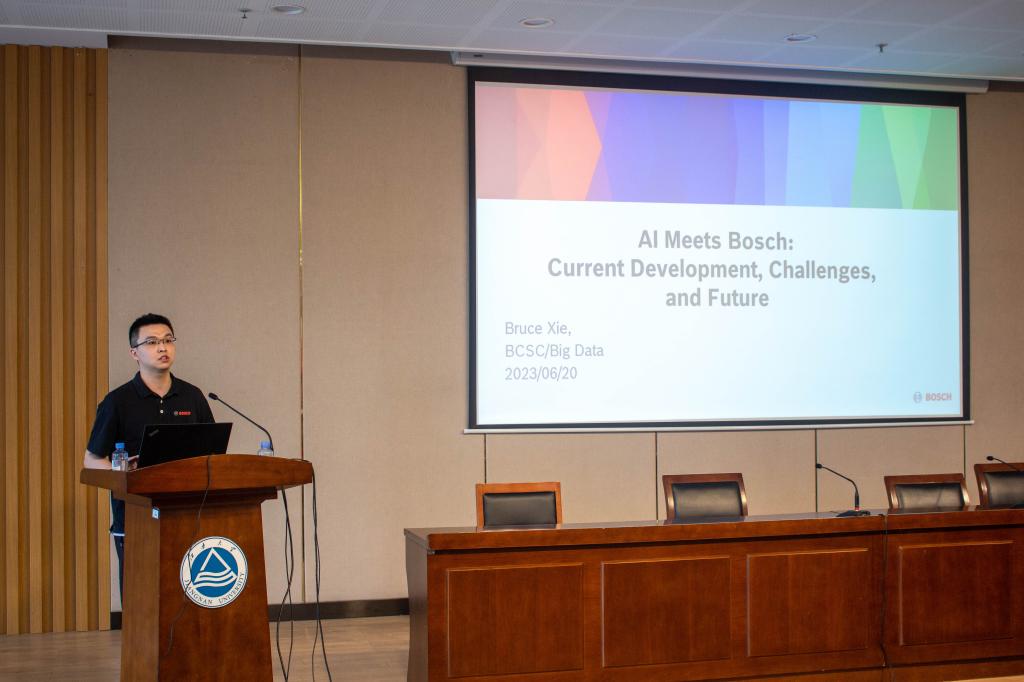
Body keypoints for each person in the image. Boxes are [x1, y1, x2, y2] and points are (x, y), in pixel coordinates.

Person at [82, 313, 213, 598]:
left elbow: (211, 453)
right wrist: (122, 473)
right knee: (141, 600)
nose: (162, 347)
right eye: (152, 342)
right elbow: (91, 460)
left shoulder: (193, 396)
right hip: (135, 519)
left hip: (188, 516)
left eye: (168, 340)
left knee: (189, 598)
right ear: (134, 353)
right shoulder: (118, 402)